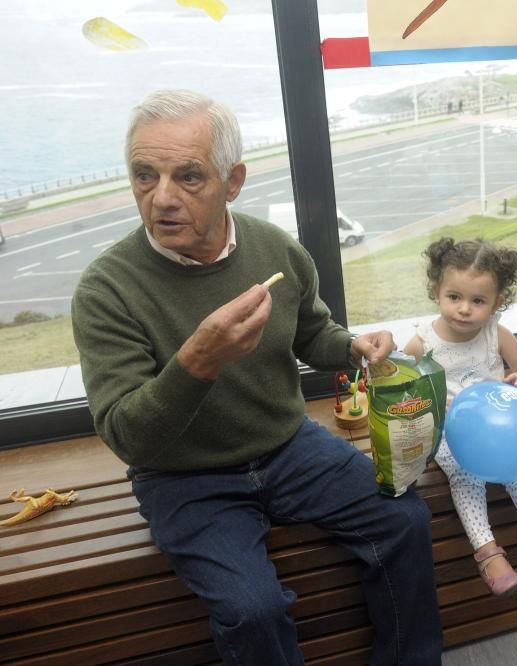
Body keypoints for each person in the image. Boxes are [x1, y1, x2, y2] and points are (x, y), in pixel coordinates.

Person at [71, 90, 442, 666]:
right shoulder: (106, 289)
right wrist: (199, 360)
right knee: (253, 608)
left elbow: (311, 334)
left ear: (233, 180)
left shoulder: (274, 249)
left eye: (188, 177)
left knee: (405, 517)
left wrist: (352, 347)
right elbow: (128, 437)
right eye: (144, 175)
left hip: (287, 446)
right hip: (183, 477)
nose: (161, 198)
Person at [403, 237, 517, 598]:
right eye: (454, 297)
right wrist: (427, 401)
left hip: (502, 427)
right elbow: (402, 387)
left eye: (478, 301)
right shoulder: (422, 343)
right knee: (465, 478)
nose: (464, 309)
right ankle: (489, 554)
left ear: (498, 302)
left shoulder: (496, 333)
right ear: (436, 291)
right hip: (451, 434)